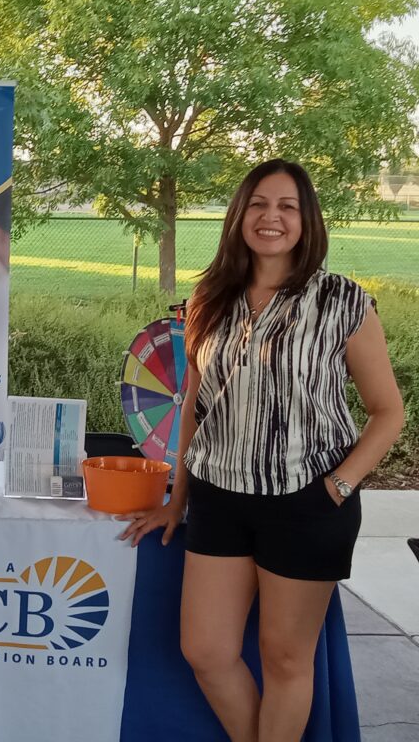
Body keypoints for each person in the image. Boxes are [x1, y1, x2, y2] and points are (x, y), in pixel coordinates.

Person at [122, 159, 404, 742]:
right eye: (258, 204)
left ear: (307, 221)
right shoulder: (210, 298)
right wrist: (178, 499)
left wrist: (339, 486)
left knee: (285, 662)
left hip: (308, 499)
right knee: (205, 650)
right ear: (239, 216)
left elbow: (388, 413)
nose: (270, 217)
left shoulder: (344, 302)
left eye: (286, 206)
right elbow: (195, 406)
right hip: (220, 499)